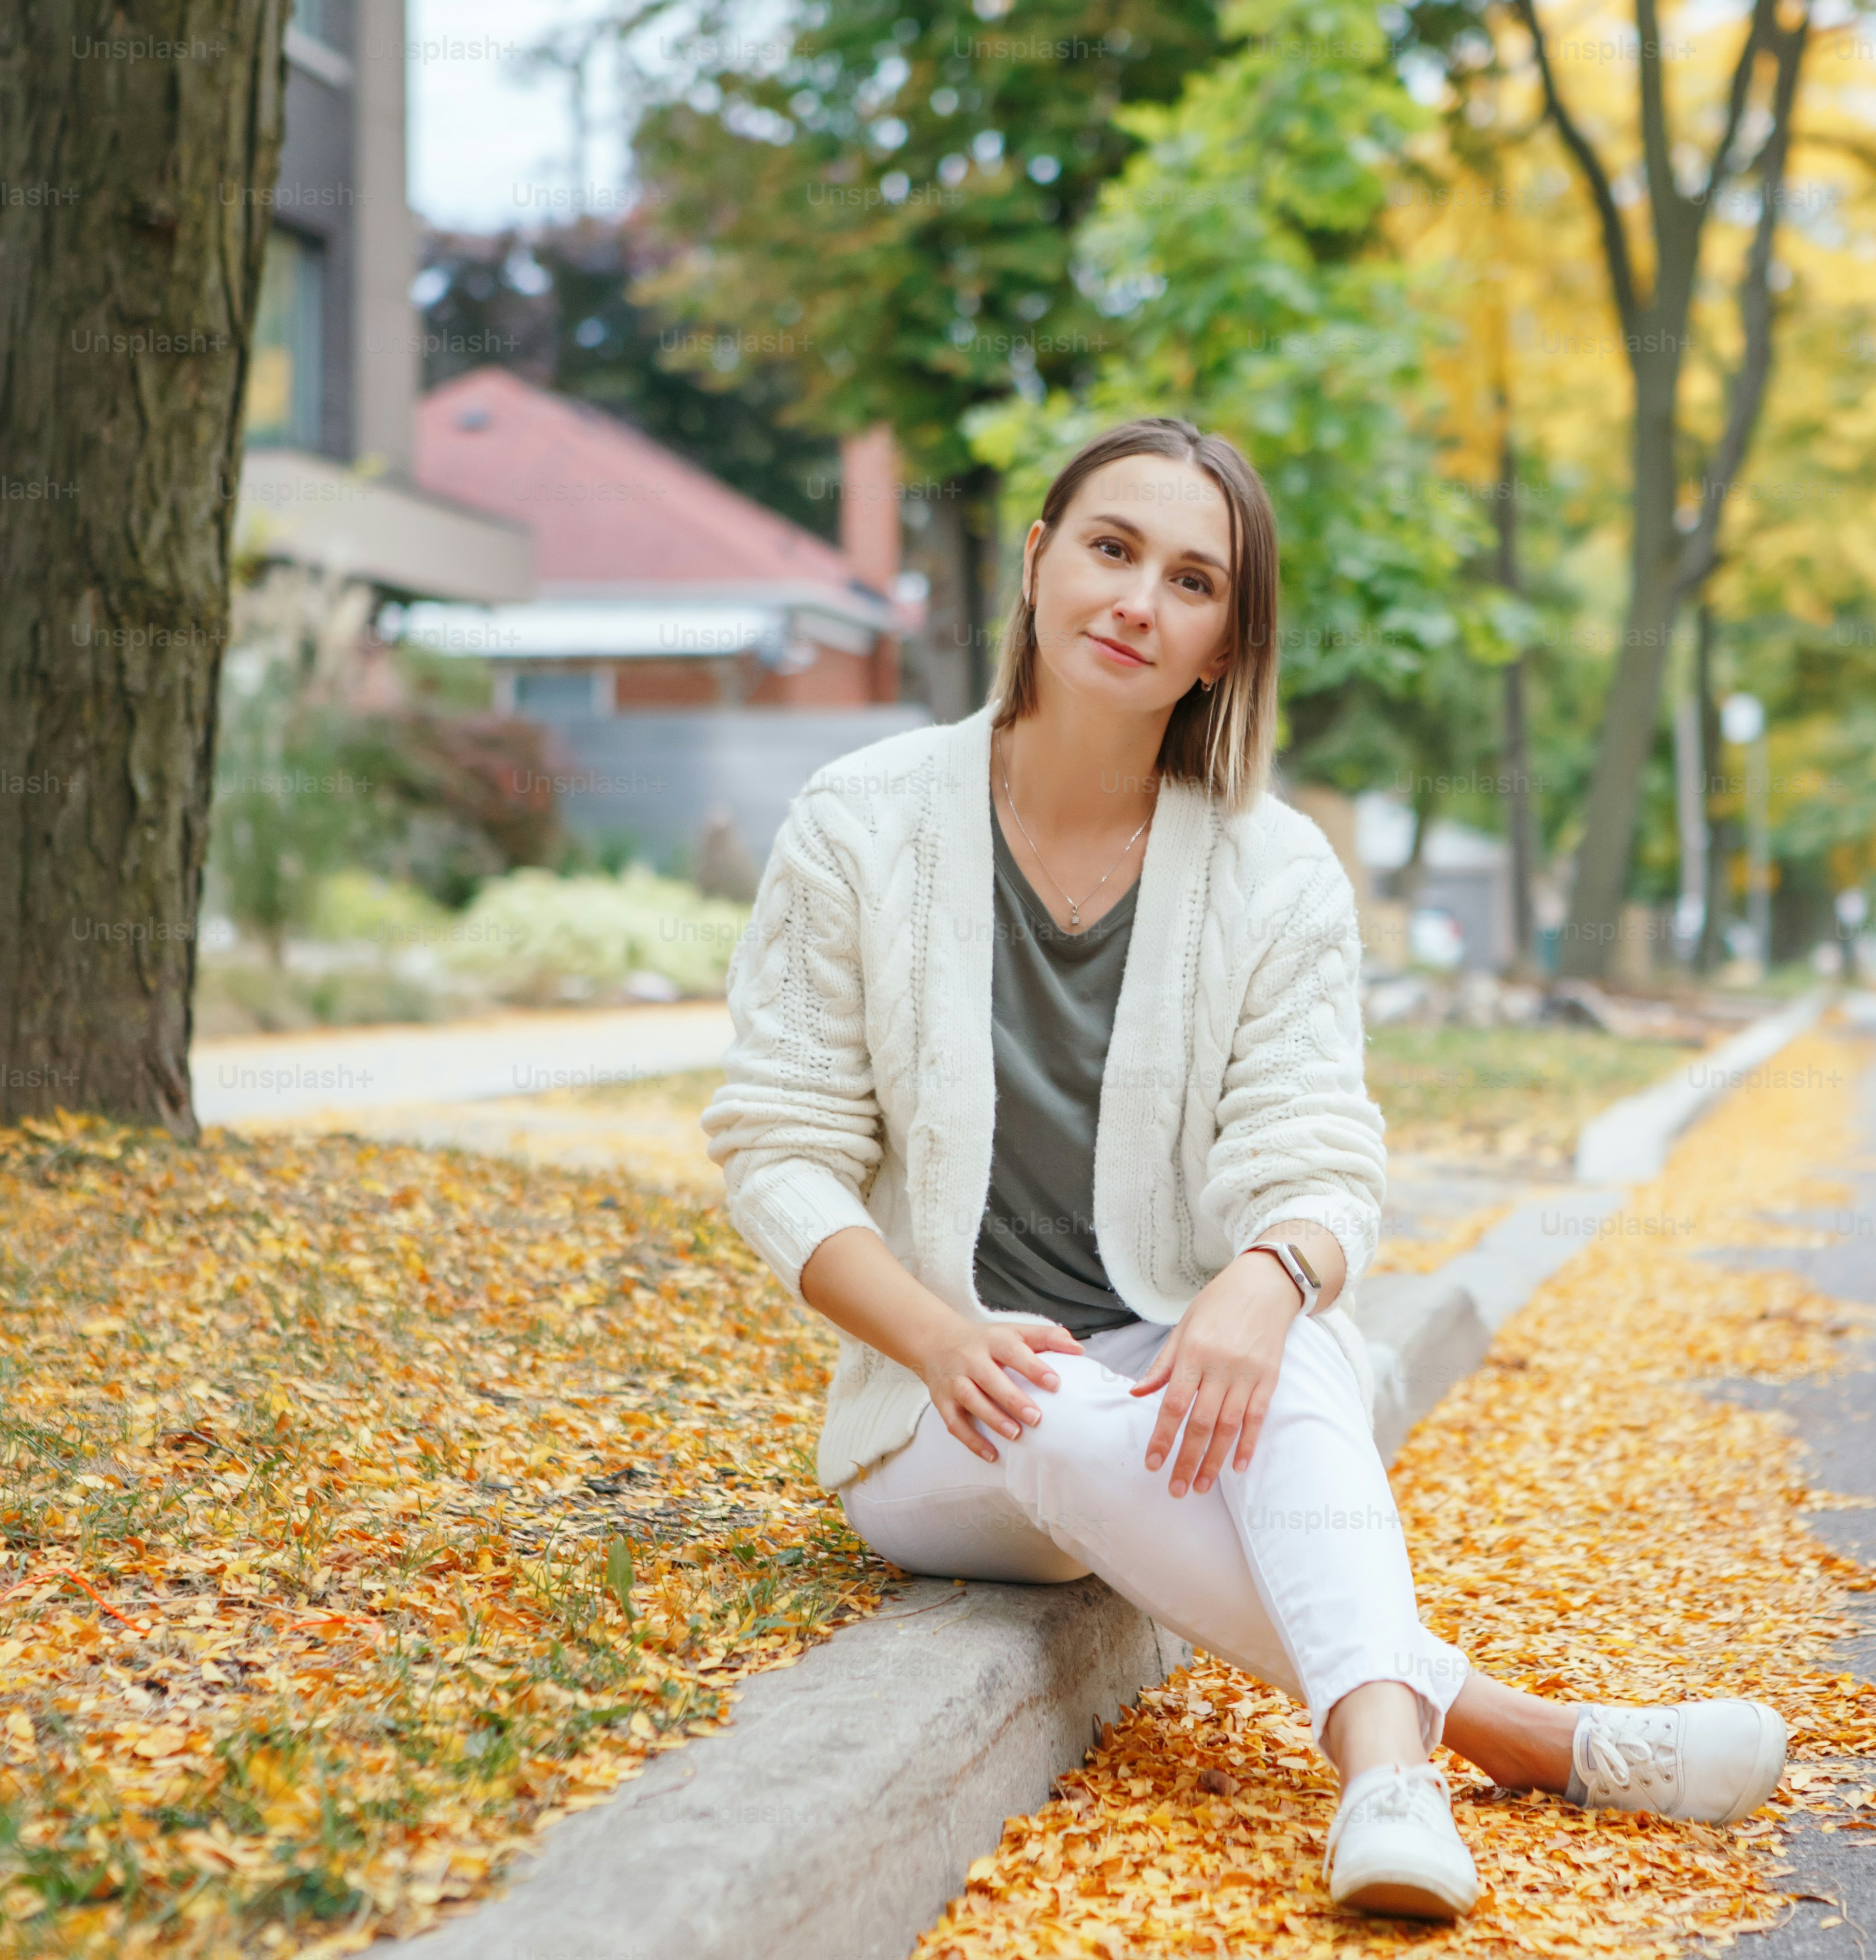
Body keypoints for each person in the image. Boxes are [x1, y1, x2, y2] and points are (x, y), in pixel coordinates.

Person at [699, 416, 1787, 1920]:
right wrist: (938, 1337)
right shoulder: (861, 823)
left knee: (1298, 1343)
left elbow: (1320, 1157)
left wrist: (1268, 1283)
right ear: (1036, 565)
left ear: (1224, 644)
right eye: (1111, 548)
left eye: (1192, 580)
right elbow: (779, 1148)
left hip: (1155, 1357)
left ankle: (1391, 1791)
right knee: (1070, 1418)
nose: (1139, 598)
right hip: (941, 1418)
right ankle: (1523, 1739)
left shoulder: (1274, 872)